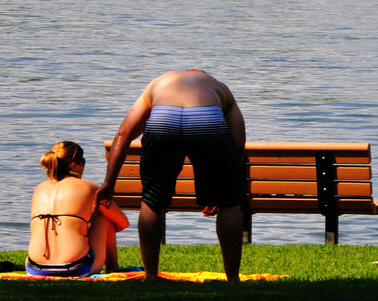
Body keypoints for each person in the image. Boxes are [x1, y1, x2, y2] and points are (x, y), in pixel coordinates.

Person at [97, 69, 246, 282]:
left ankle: (150, 275)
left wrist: (109, 182)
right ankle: (232, 279)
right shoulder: (219, 88)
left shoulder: (157, 84)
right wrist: (227, 181)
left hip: (162, 119)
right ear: (203, 76)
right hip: (207, 120)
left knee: (152, 200)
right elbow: (238, 143)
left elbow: (124, 134)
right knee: (229, 203)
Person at [27, 141, 129, 277]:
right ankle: (112, 268)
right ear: (73, 165)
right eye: (83, 161)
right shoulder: (90, 188)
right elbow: (123, 223)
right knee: (104, 217)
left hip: (35, 269)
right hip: (76, 268)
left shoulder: (38, 189)